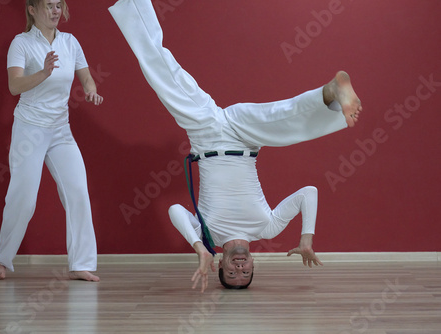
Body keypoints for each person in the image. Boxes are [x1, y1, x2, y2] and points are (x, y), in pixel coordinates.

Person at [108, 0, 362, 292]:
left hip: (207, 133)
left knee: (162, 72)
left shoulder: (208, 235)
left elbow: (175, 209)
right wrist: (306, 238)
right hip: (247, 136)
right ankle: (330, 91)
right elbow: (309, 193)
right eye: (245, 274)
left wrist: (200, 249)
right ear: (254, 263)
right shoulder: (266, 228)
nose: (240, 269)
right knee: (283, 117)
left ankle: (133, 4)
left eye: (232, 274)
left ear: (220, 265)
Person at [0, 0, 103, 282]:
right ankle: (2, 259)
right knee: (24, 199)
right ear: (32, 9)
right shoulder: (21, 43)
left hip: (60, 131)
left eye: (58, 5)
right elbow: (14, 86)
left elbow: (87, 79)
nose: (55, 11)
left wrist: (91, 91)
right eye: (48, 6)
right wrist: (43, 73)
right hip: (30, 129)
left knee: (77, 190)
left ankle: (81, 263)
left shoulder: (70, 42)